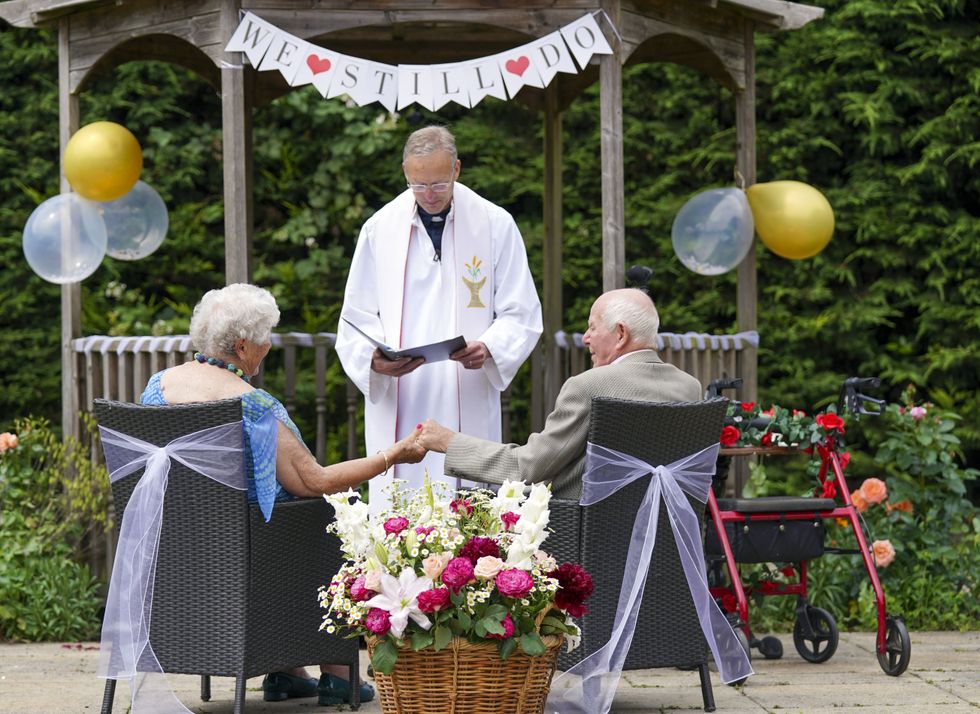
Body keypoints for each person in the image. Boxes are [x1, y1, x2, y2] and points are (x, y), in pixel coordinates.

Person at [140, 283, 424, 706]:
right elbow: (316, 480)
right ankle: (337, 672)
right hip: (252, 551)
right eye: (265, 337)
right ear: (241, 345)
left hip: (180, 548)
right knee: (330, 514)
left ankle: (287, 671)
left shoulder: (157, 389)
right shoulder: (253, 404)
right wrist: (394, 454)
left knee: (286, 515)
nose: (269, 345)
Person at [336, 125, 542, 511]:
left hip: (465, 387)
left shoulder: (495, 224)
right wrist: (374, 360)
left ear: (457, 170)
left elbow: (522, 312)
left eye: (439, 184)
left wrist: (491, 346)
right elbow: (355, 318)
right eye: (418, 185)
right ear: (404, 172)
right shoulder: (380, 229)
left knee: (468, 515)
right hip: (403, 394)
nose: (429, 195)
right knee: (401, 514)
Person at [416, 288, 703, 498]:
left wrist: (450, 443)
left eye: (592, 327)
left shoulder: (589, 387)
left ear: (620, 334)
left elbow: (528, 467)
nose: (586, 337)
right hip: (667, 533)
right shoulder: (690, 388)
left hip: (585, 538)